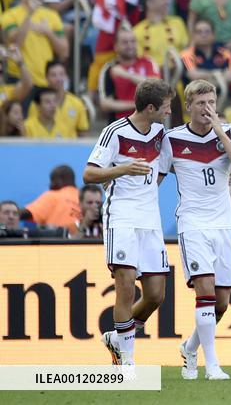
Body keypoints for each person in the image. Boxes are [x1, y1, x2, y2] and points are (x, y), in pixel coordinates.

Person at [83, 79, 174, 373]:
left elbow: (163, 169)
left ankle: (117, 338)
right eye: (166, 107)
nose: (169, 111)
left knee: (156, 295)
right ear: (151, 108)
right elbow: (89, 174)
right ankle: (127, 361)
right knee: (125, 287)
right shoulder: (115, 132)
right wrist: (123, 169)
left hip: (150, 220)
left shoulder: (160, 134)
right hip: (121, 217)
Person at [166, 80, 231, 381]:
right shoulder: (173, 139)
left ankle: (190, 348)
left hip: (224, 224)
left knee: (222, 303)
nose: (207, 109)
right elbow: (157, 175)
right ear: (188, 106)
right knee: (204, 290)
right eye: (201, 103)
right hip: (192, 224)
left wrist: (220, 132)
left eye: (212, 103)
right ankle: (211, 365)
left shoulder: (229, 132)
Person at [2, 0, 69, 87]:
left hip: (46, 80)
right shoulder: (9, 16)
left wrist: (48, 32)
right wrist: (29, 14)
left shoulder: (52, 15)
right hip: (19, 79)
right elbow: (15, 45)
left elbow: (64, 53)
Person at [24, 165, 81, 232]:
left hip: (58, 237)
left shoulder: (53, 195)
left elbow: (27, 213)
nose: (50, 185)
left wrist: (15, 212)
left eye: (52, 180)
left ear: (60, 180)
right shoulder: (86, 197)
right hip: (84, 237)